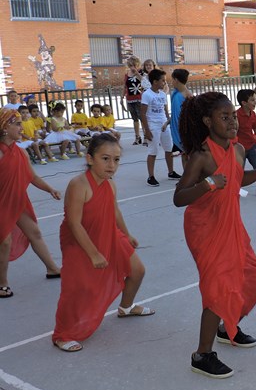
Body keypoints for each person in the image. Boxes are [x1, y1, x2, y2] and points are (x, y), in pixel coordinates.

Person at [174, 92, 256, 379]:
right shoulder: (201, 156)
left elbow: (237, 179)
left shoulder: (238, 149)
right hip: (205, 228)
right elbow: (179, 197)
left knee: (255, 279)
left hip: (232, 224)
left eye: (233, 116)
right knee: (218, 288)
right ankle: (202, 355)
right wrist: (207, 184)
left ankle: (225, 326)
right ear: (208, 121)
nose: (232, 122)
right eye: (224, 117)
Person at [52, 134, 154, 352]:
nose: (111, 165)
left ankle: (126, 307)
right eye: (105, 159)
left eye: (116, 160)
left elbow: (114, 210)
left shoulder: (110, 184)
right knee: (77, 287)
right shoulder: (79, 184)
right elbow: (74, 224)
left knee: (137, 270)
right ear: (90, 159)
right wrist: (94, 253)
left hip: (110, 233)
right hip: (79, 240)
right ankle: (62, 334)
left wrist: (127, 234)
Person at [0, 109, 62, 299]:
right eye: (17, 124)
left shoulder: (21, 152)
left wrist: (50, 189)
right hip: (2, 203)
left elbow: (32, 177)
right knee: (5, 242)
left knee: (34, 232)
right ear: (5, 127)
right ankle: (2, 283)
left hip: (17, 201)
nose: (22, 128)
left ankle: (52, 268)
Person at [140, 68, 181, 186]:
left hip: (164, 125)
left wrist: (168, 122)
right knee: (153, 151)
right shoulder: (147, 94)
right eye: (162, 80)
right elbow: (143, 113)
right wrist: (147, 130)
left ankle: (171, 172)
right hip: (153, 126)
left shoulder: (163, 94)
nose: (164, 83)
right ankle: (151, 176)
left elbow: (165, 110)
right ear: (155, 81)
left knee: (169, 149)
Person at [170, 68, 192, 170]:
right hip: (177, 129)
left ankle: (190, 176)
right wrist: (167, 122)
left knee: (188, 155)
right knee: (184, 155)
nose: (172, 82)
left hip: (184, 131)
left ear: (176, 80)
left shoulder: (187, 95)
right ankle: (186, 175)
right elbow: (175, 113)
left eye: (172, 79)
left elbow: (190, 114)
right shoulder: (176, 93)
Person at [121, 56, 144, 145]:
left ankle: (146, 136)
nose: (132, 67)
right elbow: (125, 86)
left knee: (142, 118)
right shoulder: (127, 74)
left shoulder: (141, 72)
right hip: (130, 99)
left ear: (137, 64)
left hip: (139, 98)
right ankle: (137, 137)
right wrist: (122, 97)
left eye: (134, 65)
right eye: (130, 65)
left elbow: (144, 82)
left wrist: (137, 73)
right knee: (134, 119)